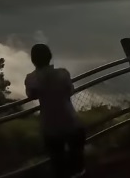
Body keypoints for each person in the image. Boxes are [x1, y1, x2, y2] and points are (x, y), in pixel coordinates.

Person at [25, 44, 86, 178]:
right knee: (77, 160)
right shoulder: (63, 73)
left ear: (33, 60)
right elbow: (70, 91)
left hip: (50, 126)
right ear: (50, 57)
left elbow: (31, 95)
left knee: (58, 164)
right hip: (72, 122)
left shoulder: (31, 79)